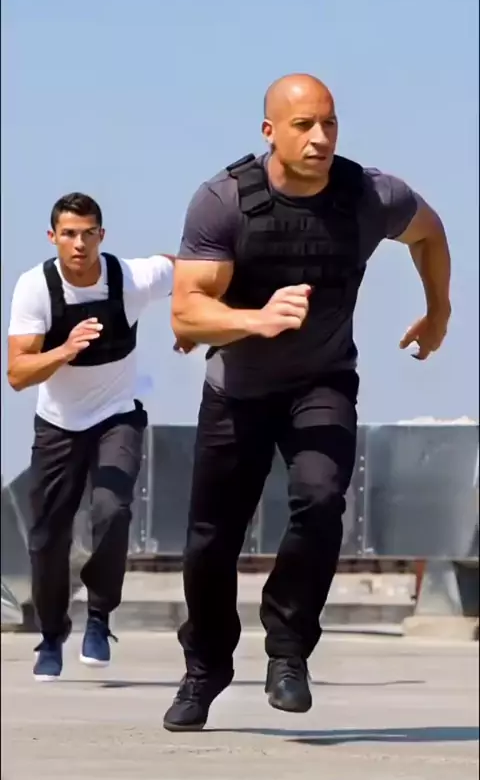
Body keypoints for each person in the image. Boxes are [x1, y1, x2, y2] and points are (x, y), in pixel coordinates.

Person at [164, 73, 451, 731]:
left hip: (322, 383)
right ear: (270, 132)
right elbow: (186, 315)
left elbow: (429, 232)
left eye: (330, 123)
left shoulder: (370, 195)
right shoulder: (224, 201)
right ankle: (205, 668)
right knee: (211, 539)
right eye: (303, 125)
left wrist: (439, 310)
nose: (320, 137)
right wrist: (255, 320)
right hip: (237, 391)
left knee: (321, 500)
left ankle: (288, 652)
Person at [7, 192, 174, 682]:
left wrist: (189, 324)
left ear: (102, 235)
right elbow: (17, 374)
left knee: (112, 508)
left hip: (116, 417)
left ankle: (99, 617)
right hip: (58, 425)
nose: (79, 244)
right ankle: (51, 636)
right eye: (69, 234)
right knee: (47, 536)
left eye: (88, 234)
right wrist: (64, 350)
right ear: (52, 237)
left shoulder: (131, 279)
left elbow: (190, 269)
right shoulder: (35, 288)